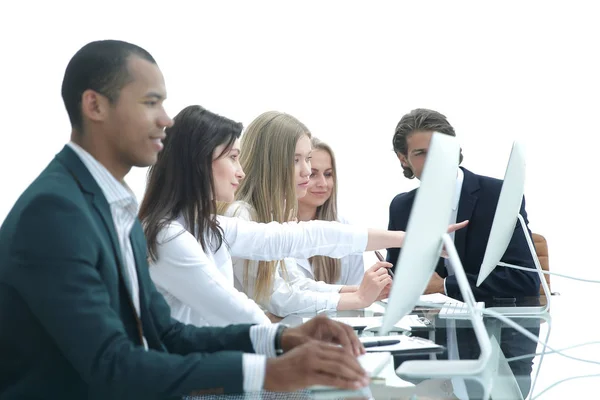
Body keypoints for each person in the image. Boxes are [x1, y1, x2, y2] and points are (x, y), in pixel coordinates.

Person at [0, 40, 374, 398]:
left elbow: (168, 333)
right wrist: (269, 371)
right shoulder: (55, 211)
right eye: (150, 103)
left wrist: (279, 339)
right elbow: (111, 364)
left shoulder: (117, 206)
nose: (165, 119)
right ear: (94, 106)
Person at [140, 105, 411, 327]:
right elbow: (237, 308)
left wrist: (405, 239)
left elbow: (305, 237)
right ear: (197, 163)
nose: (240, 170)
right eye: (233, 157)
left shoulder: (211, 226)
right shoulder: (170, 235)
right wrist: (286, 338)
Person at [386, 108, 540, 300]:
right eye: (421, 153)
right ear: (403, 159)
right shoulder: (402, 207)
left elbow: (525, 280)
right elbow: (398, 276)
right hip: (429, 323)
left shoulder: (499, 196)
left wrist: (443, 285)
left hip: (493, 321)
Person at [296, 137, 365, 286]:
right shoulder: (270, 228)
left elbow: (357, 294)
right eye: (312, 174)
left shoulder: (346, 228)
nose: (323, 184)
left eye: (328, 174)